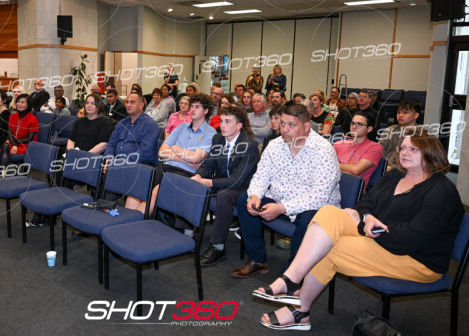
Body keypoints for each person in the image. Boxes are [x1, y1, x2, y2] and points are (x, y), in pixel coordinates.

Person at [254, 132, 463, 331]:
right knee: (328, 213)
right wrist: (367, 217)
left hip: (416, 259)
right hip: (382, 238)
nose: (404, 153)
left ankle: (299, 310)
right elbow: (365, 204)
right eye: (402, 148)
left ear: (430, 152)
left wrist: (364, 224)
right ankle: (292, 278)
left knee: (329, 246)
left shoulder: (441, 191)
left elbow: (409, 238)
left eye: (413, 149)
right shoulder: (396, 176)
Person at [232, 104, 340, 278]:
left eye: (291, 125)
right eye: (282, 123)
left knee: (310, 221)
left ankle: (292, 275)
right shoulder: (275, 145)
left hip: (312, 207)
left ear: (306, 126)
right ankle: (258, 260)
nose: (285, 129)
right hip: (281, 200)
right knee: (244, 199)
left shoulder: (323, 150)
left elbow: (319, 197)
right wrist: (255, 195)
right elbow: (261, 176)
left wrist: (282, 208)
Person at [193, 105, 260, 266]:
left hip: (244, 188)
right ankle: (186, 235)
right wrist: (198, 175)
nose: (222, 125)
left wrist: (208, 182)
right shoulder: (218, 139)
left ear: (239, 125)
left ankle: (218, 247)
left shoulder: (250, 145)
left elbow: (237, 181)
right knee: (193, 185)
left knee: (224, 194)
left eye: (228, 122)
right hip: (222, 183)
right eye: (222, 121)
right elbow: (209, 165)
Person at [135, 93, 216, 215]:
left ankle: (137, 220)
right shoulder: (181, 127)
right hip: (166, 166)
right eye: (192, 106)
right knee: (141, 187)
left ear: (206, 110)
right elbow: (162, 152)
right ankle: (128, 219)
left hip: (186, 172)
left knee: (155, 191)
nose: (192, 109)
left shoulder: (210, 132)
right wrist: (186, 159)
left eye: (197, 107)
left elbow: (195, 158)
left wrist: (174, 148)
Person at [104, 92, 161, 167]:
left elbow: (144, 153)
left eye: (132, 102)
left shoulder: (150, 125)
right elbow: (111, 144)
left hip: (138, 166)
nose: (128, 105)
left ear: (141, 105)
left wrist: (121, 164)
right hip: (117, 163)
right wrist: (108, 158)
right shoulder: (121, 123)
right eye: (127, 102)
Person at [333, 110, 384, 189]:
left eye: (359, 124)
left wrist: (333, 165)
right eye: (352, 123)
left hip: (351, 189)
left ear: (369, 129)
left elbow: (356, 170)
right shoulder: (339, 144)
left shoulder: (375, 147)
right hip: (332, 183)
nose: (353, 127)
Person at [378, 101, 421, 169]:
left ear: (416, 115)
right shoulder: (389, 130)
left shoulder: (422, 134)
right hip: (386, 167)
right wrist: (383, 167)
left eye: (405, 112)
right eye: (398, 112)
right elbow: (379, 151)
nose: (400, 115)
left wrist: (393, 169)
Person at [0, 94, 38, 166]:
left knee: (5, 148)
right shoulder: (12, 116)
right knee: (5, 146)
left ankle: (1, 170)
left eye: (22, 102)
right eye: (18, 101)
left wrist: (13, 142)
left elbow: (29, 138)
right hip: (14, 142)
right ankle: (2, 171)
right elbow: (10, 133)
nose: (19, 104)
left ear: (28, 105)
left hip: (27, 144)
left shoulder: (33, 119)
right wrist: (14, 144)